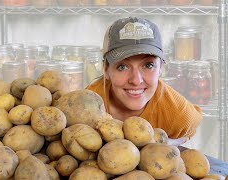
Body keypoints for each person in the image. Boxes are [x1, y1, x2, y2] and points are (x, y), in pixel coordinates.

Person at [86, 17, 202, 146]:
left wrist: (167, 143)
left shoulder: (178, 112)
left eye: (148, 65)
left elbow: (189, 132)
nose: (136, 80)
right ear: (106, 70)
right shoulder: (87, 105)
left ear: (161, 69)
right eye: (122, 67)